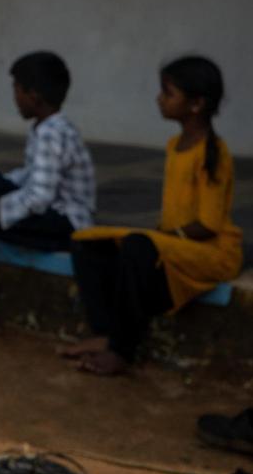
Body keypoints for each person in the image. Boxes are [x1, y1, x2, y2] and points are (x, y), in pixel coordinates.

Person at [64, 56, 242, 376]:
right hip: (176, 244)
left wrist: (163, 239)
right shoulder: (175, 144)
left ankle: (122, 350)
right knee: (87, 243)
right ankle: (104, 332)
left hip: (211, 251)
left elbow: (209, 225)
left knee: (137, 246)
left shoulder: (214, 152)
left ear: (196, 104)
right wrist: (161, 238)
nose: (159, 99)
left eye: (168, 93)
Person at [0, 52, 95, 334]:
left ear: (34, 96)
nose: (14, 98)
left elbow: (39, 196)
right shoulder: (44, 128)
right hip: (48, 213)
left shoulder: (53, 133)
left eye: (17, 90)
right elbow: (28, 175)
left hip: (67, 223)